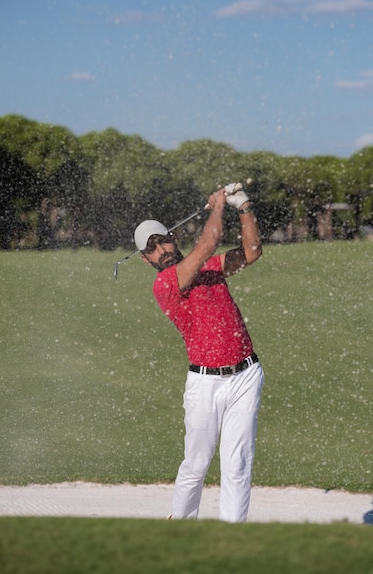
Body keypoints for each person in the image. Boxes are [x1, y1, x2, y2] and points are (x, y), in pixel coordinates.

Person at [133, 183, 264, 522]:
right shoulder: (165, 285)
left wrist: (243, 206)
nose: (161, 248)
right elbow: (208, 242)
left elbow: (251, 251)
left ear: (172, 239)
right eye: (152, 248)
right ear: (146, 259)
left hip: (246, 375)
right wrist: (218, 204)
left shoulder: (211, 268)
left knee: (238, 464)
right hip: (205, 384)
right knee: (196, 463)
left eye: (163, 239)